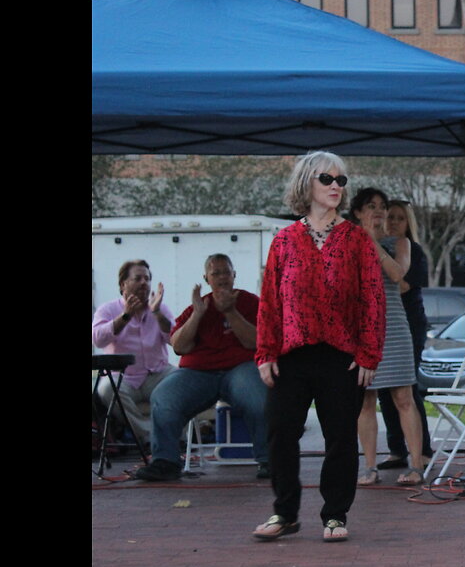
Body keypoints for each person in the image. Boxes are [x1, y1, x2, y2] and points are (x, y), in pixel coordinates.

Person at [251, 151, 384, 544]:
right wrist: (265, 353)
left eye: (342, 181)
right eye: (328, 179)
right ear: (307, 181)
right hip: (291, 355)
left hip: (341, 357)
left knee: (341, 437)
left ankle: (335, 514)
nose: (336, 187)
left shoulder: (357, 239)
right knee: (279, 432)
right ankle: (285, 512)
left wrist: (368, 355)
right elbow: (270, 302)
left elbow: (372, 300)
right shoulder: (285, 240)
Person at [134, 254, 270, 482]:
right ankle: (165, 462)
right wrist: (197, 314)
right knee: (164, 396)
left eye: (226, 272)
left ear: (234, 275)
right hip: (199, 372)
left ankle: (269, 460)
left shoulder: (250, 302)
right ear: (206, 278)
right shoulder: (196, 306)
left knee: (259, 396)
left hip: (240, 368)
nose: (222, 278)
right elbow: (179, 346)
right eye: (215, 273)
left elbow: (254, 342)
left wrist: (230, 311)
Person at [348, 188, 428, 487]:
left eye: (382, 206)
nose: (379, 212)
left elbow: (397, 274)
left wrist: (372, 241)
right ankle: (369, 467)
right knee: (365, 401)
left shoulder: (400, 243)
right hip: (361, 329)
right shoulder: (347, 242)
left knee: (404, 397)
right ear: (358, 212)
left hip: (394, 325)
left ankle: (417, 465)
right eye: (372, 206)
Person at [377, 200, 435, 473]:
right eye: (389, 217)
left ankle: (422, 450)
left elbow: (399, 285)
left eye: (400, 218)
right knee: (383, 391)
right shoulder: (376, 248)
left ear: (408, 222)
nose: (393, 223)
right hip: (380, 326)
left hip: (408, 326)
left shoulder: (414, 251)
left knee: (406, 389)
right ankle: (396, 449)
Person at [93, 260, 175, 449]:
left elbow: (175, 340)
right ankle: (148, 437)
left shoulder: (160, 308)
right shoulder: (108, 309)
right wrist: (125, 316)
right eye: (137, 278)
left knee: (183, 380)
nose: (144, 283)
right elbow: (98, 339)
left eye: (147, 279)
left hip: (156, 373)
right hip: (124, 378)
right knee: (105, 389)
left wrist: (157, 314)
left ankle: (178, 439)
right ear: (123, 285)